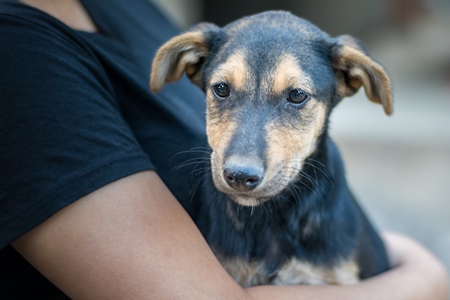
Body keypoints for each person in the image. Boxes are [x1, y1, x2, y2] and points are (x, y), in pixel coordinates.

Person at [0, 0, 448, 299]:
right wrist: (424, 279)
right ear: (190, 68)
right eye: (222, 91)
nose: (242, 161)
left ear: (352, 83)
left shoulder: (126, 6)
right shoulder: (18, 49)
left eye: (295, 98)